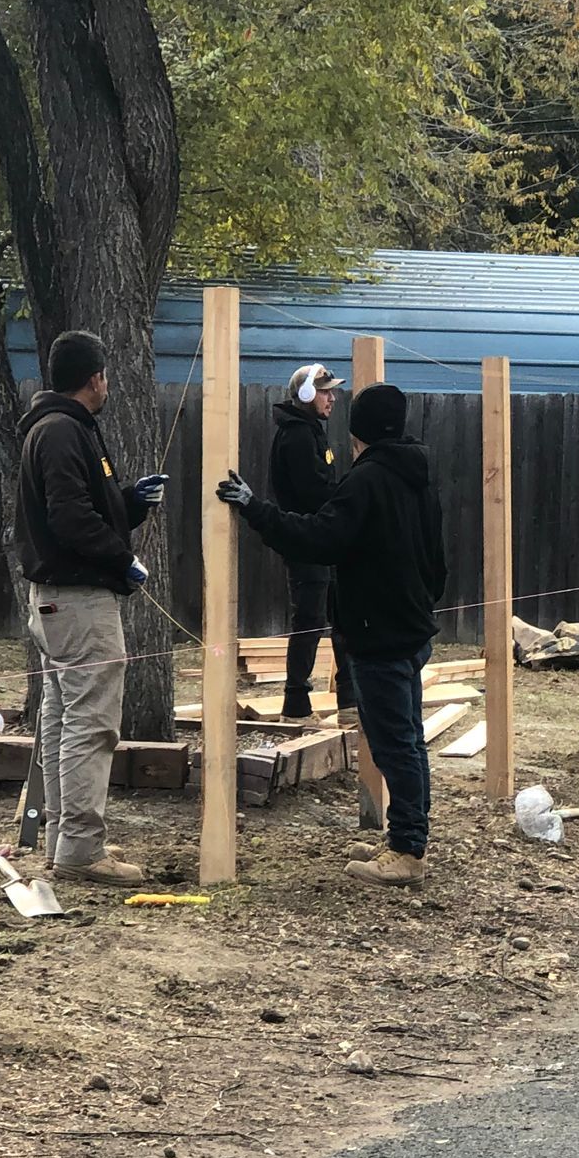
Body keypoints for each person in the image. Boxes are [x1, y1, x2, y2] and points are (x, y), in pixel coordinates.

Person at [216, 384, 447, 889]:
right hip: (408, 629)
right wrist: (419, 606)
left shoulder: (367, 480)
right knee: (407, 740)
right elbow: (438, 561)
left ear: (357, 431)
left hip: (379, 634)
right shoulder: (418, 477)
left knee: (395, 744)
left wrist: (256, 509)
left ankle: (408, 849)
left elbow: (321, 538)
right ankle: (406, 836)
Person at [14, 330, 169, 887]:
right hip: (77, 600)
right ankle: (80, 847)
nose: (107, 385)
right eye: (105, 377)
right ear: (95, 377)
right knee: (92, 723)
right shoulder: (61, 432)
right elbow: (70, 519)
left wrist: (129, 502)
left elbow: (84, 506)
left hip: (59, 600)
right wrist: (123, 558)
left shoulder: (59, 428)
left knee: (62, 717)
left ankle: (66, 836)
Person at [269, 362, 348, 721]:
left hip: (322, 540)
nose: (331, 397)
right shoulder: (298, 436)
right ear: (304, 395)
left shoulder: (311, 431)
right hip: (307, 541)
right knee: (310, 620)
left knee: (340, 615)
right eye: (324, 391)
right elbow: (313, 492)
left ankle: (349, 700)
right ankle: (296, 706)